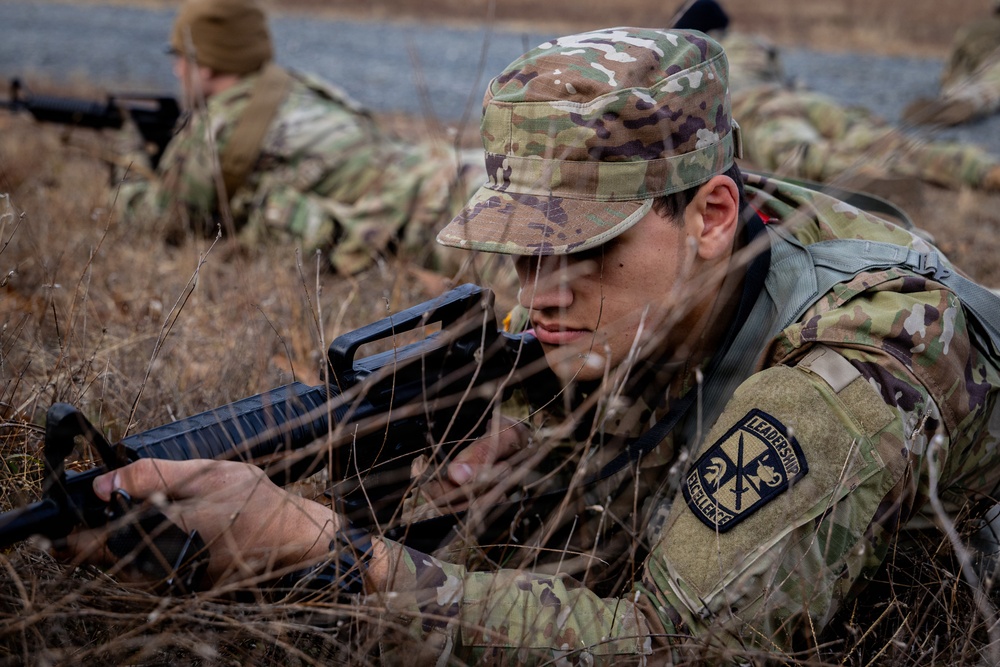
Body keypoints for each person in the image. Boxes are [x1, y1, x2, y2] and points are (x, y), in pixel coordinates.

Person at [62, 27, 1000, 662]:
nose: (539, 291)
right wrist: (516, 416)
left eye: (587, 245)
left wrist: (342, 559)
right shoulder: (678, 252)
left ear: (712, 212)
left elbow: (674, 645)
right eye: (522, 246)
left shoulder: (852, 367)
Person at [115, 0, 485, 275]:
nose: (177, 69)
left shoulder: (217, 127)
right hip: (456, 168)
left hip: (438, 218)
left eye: (180, 56)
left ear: (206, 62)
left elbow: (159, 221)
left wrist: (127, 159)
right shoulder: (295, 89)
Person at [672, 0, 1000, 194]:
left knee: (799, 152)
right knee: (883, 139)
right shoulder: (755, 42)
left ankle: (875, 178)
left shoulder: (694, 52)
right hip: (801, 97)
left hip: (753, 105)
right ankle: (980, 168)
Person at [903, 1, 1000, 127]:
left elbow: (953, 63)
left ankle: (948, 101)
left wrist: (948, 83)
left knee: (964, 90)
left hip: (965, 77)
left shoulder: (971, 28)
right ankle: (970, 104)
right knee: (988, 96)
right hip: (993, 78)